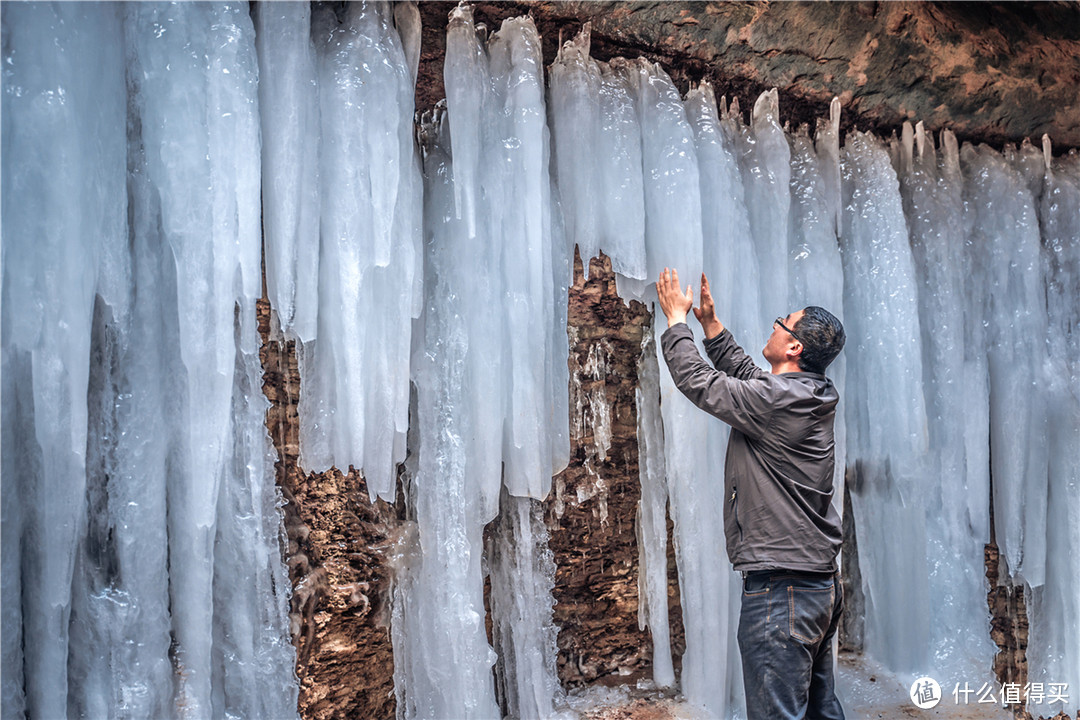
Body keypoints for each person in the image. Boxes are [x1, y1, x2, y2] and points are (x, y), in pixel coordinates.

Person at [655, 268, 847, 720]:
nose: (775, 325)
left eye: (783, 323)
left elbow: (700, 384)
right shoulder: (807, 392)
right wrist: (712, 329)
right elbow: (752, 380)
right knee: (821, 712)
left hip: (783, 592)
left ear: (794, 346)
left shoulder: (777, 401)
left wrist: (675, 322)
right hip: (816, 586)